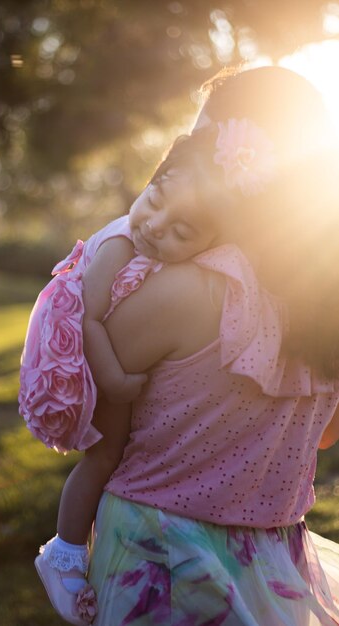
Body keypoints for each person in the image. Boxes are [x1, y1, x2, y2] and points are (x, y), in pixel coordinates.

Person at [73, 65, 339, 625]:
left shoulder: (185, 291)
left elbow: (89, 421)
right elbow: (325, 436)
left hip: (160, 558)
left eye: (202, 142)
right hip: (272, 567)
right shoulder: (328, 303)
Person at [19, 113, 231, 622]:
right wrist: (115, 380)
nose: (155, 227)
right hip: (80, 349)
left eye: (181, 230)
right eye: (154, 200)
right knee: (104, 454)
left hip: (109, 342)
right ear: (149, 180)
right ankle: (64, 553)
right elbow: (91, 319)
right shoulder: (120, 244)